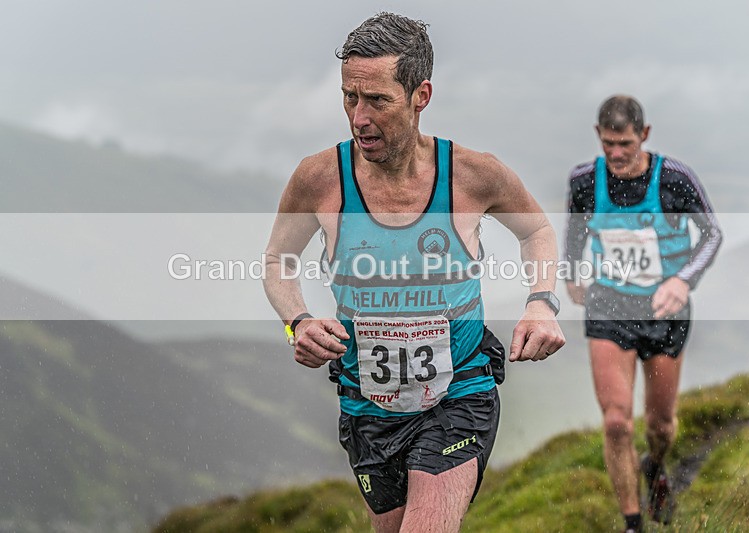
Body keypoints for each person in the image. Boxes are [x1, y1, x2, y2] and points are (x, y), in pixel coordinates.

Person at [263, 12, 564, 533]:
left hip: (460, 393)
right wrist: (299, 322)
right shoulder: (319, 180)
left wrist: (541, 301)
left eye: (377, 100)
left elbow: (536, 230)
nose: (359, 118)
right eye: (349, 98)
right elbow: (276, 262)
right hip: (367, 404)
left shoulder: (472, 175)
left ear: (420, 95)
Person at [564, 95, 722, 532]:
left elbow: (710, 235)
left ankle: (655, 463)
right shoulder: (583, 180)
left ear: (644, 136)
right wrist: (571, 273)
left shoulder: (674, 178)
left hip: (664, 310)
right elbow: (575, 229)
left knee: (660, 423)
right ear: (598, 136)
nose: (616, 153)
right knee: (616, 422)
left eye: (626, 144)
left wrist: (681, 281)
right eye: (609, 143)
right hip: (609, 305)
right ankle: (633, 523)